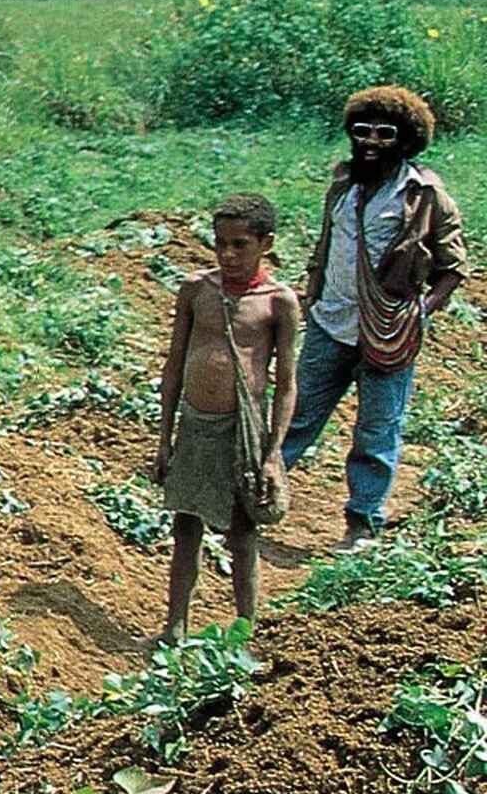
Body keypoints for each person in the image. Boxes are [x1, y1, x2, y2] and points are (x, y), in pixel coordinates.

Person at [282, 85, 468, 550]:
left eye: (384, 134)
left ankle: (363, 523)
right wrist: (311, 296)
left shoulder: (425, 196)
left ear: (405, 141)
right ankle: (252, 498)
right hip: (331, 322)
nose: (369, 141)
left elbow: (453, 268)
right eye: (361, 131)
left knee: (377, 429)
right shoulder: (342, 188)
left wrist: (420, 314)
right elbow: (326, 250)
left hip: (389, 334)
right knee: (296, 415)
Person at [152, 194, 299, 640]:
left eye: (240, 244)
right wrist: (164, 437)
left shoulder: (278, 303)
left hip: (241, 432)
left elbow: (287, 384)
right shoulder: (197, 289)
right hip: (196, 425)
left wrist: (273, 455)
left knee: (242, 534)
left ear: (265, 244)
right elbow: (174, 364)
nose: (228, 255)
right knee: (186, 526)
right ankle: (174, 627)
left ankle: (244, 633)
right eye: (220, 244)